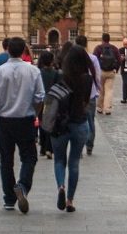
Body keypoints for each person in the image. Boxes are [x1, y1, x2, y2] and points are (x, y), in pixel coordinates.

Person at [0, 36, 45, 213]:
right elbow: (40, 98)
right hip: (25, 120)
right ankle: (22, 186)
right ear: (25, 50)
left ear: (8, 50)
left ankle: (9, 199)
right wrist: (35, 113)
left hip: (5, 122)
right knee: (29, 157)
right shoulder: (33, 71)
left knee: (6, 161)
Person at [51, 44, 94, 213]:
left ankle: (61, 186)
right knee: (74, 163)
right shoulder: (87, 79)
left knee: (59, 160)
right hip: (79, 123)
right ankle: (69, 201)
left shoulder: (59, 77)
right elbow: (85, 102)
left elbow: (53, 98)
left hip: (60, 124)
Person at [75, 34, 101, 156]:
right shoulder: (93, 58)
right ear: (86, 44)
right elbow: (97, 76)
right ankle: (89, 146)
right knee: (90, 120)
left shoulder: (72, 59)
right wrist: (98, 89)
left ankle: (78, 147)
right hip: (90, 93)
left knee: (77, 121)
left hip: (76, 95)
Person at [37, 50, 59, 159]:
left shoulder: (38, 72)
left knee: (41, 123)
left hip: (41, 100)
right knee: (50, 124)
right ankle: (49, 148)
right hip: (52, 100)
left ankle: (42, 148)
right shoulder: (56, 73)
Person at [93, 33, 120, 115]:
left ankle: (100, 108)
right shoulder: (114, 48)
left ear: (102, 39)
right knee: (109, 91)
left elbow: (94, 60)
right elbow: (119, 60)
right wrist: (116, 69)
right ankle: (107, 109)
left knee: (101, 90)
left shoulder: (98, 48)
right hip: (111, 72)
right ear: (109, 39)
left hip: (101, 71)